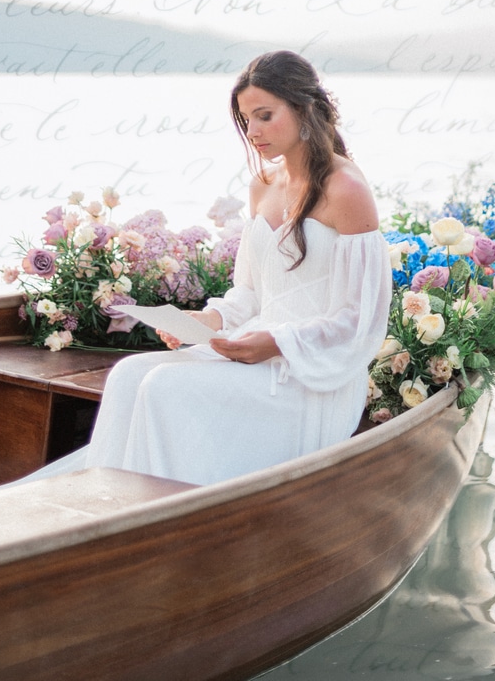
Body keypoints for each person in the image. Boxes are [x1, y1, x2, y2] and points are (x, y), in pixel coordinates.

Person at [81, 50, 392, 487]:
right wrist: (208, 320)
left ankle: (166, 514)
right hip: (256, 348)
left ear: (303, 109)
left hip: (312, 374)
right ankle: (107, 507)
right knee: (128, 375)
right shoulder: (263, 185)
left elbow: (360, 319)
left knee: (163, 388)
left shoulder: (347, 189)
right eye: (247, 120)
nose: (254, 132)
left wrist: (278, 342)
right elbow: (250, 293)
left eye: (265, 116)